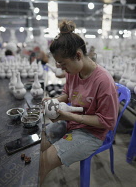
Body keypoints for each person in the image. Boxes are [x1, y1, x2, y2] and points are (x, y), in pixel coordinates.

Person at [39, 20, 119, 186]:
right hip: (72, 124)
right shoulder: (73, 72)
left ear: (78, 55)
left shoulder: (103, 81)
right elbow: (67, 94)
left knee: (43, 161)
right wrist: (55, 101)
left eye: (64, 64)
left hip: (92, 134)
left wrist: (67, 115)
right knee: (39, 142)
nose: (63, 69)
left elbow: (108, 121)